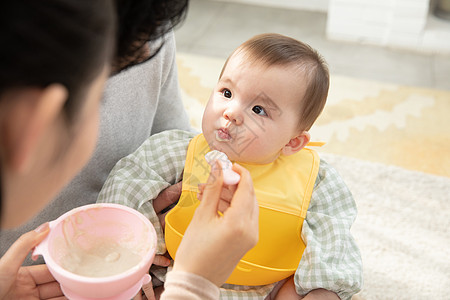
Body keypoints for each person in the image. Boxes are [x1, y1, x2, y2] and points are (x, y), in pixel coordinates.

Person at [0, 1, 259, 299]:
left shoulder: (146, 29)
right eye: (99, 101)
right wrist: (193, 284)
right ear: (33, 128)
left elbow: (173, 135)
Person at [98, 33, 363, 299]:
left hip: (268, 288)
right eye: (227, 93)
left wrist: (324, 289)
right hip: (179, 279)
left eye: (259, 110)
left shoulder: (315, 180)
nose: (232, 112)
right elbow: (123, 189)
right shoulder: (179, 150)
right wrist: (146, 245)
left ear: (293, 142)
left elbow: (334, 246)